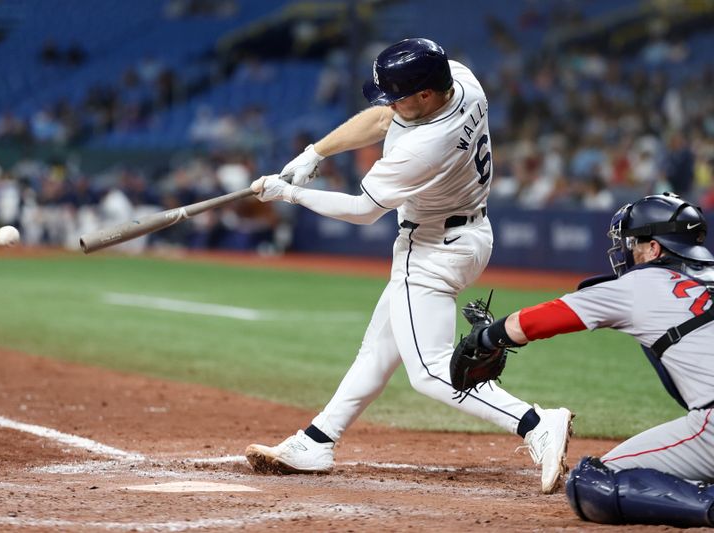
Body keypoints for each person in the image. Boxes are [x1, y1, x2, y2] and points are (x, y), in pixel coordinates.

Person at [245, 38, 573, 494]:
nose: (391, 103)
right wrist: (315, 153)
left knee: (430, 369)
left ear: (425, 96)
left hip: (433, 247)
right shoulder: (460, 78)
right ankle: (317, 440)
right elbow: (383, 117)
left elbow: (363, 210)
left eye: (400, 95)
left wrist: (290, 194)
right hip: (469, 233)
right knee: (379, 350)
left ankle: (536, 422)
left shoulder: (425, 147)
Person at [457, 192, 714, 527]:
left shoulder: (640, 284)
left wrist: (486, 338)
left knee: (591, 482)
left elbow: (538, 320)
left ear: (654, 249)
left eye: (635, 242)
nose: (628, 251)